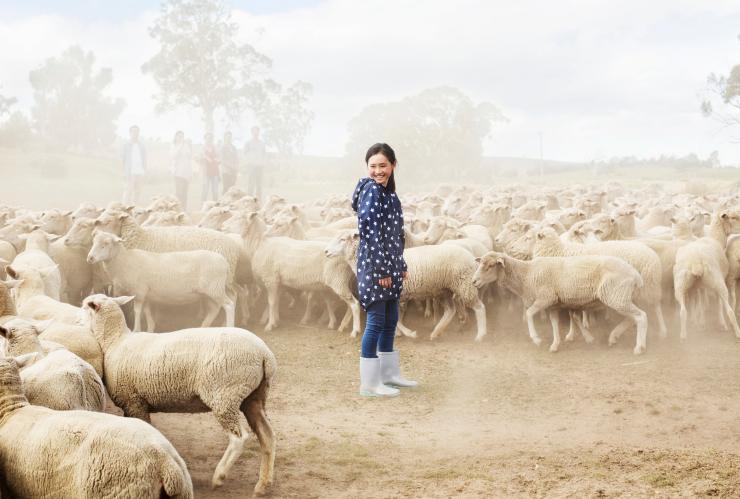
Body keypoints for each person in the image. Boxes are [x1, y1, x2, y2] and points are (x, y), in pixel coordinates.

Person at [351, 142, 417, 397]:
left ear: (393, 165)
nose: (378, 171)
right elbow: (371, 232)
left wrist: (400, 265)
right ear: (367, 168)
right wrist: (382, 271)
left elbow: (395, 235)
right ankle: (369, 384)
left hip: (389, 266)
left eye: (383, 166)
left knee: (390, 320)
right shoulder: (371, 192)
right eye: (373, 166)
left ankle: (388, 375)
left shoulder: (389, 194)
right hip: (375, 267)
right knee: (376, 321)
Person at [122, 125, 147, 205]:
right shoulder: (126, 145)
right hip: (130, 172)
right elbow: (123, 159)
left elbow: (144, 158)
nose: (135, 133)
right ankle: (125, 208)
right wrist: (124, 172)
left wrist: (145, 170)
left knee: (138, 192)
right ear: (130, 133)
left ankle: (135, 208)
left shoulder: (141, 145)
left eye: (137, 131)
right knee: (128, 191)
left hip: (140, 171)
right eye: (133, 131)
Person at [170, 131, 192, 211]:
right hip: (178, 173)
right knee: (179, 192)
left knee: (185, 193)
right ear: (176, 137)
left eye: (182, 136)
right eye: (179, 136)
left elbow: (189, 158)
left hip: (186, 173)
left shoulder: (186, 146)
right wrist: (181, 146)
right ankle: (177, 209)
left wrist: (190, 173)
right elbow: (174, 156)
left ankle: (184, 209)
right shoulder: (174, 146)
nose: (181, 138)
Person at [243, 126, 266, 200]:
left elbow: (263, 154)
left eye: (257, 131)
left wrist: (263, 163)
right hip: (251, 166)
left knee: (259, 184)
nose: (256, 133)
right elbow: (245, 154)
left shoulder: (262, 143)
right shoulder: (248, 143)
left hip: (259, 166)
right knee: (251, 184)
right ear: (252, 132)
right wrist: (248, 163)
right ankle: (249, 199)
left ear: (259, 132)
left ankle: (258, 200)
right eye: (254, 131)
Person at [199, 132, 220, 205]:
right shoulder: (202, 148)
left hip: (215, 171)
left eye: (210, 138)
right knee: (205, 190)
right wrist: (204, 158)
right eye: (207, 138)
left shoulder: (215, 147)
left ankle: (215, 206)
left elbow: (218, 158)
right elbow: (199, 159)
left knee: (215, 190)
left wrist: (216, 160)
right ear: (205, 139)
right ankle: (202, 206)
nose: (209, 140)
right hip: (206, 172)